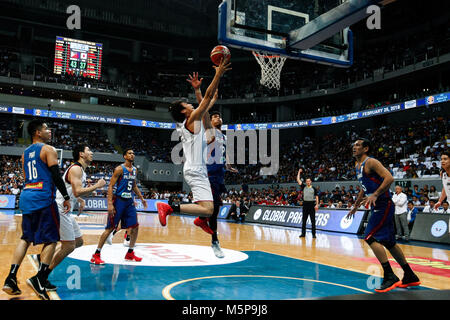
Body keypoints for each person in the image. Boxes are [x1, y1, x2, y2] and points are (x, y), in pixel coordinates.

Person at [157, 57, 231, 228]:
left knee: (208, 210)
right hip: (196, 170)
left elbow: (207, 124)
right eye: (187, 104)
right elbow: (207, 99)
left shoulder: (192, 124)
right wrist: (218, 74)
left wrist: (197, 91)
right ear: (184, 111)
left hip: (196, 169)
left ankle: (198, 220)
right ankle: (168, 207)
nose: (190, 104)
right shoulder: (190, 121)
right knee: (209, 209)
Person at [2, 119, 71, 300]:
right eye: (46, 128)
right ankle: (39, 279)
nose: (50, 131)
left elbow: (27, 179)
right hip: (43, 198)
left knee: (25, 238)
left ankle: (11, 277)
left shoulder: (25, 154)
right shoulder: (49, 150)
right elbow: (56, 175)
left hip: (27, 196)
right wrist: (66, 196)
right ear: (38, 133)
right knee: (52, 240)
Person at [347, 138, 420, 292]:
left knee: (368, 237)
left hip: (383, 203)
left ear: (366, 148)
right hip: (377, 204)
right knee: (389, 242)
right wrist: (355, 205)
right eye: (354, 145)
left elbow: (390, 178)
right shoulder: (357, 165)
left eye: (358, 145)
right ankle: (409, 275)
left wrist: (375, 194)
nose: (354, 147)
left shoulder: (371, 162)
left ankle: (389, 275)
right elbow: (363, 187)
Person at [186, 72, 238, 258]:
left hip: (219, 172)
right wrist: (198, 90)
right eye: (215, 116)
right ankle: (214, 239)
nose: (217, 118)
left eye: (219, 117)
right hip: (208, 172)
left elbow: (223, 153)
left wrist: (229, 165)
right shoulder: (208, 130)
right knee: (214, 208)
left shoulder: (222, 136)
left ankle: (204, 222)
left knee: (216, 207)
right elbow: (204, 108)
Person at [42, 144, 106, 290]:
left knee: (78, 241)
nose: (91, 152)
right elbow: (77, 191)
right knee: (70, 246)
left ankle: (47, 259)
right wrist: (97, 185)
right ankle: (43, 276)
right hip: (60, 207)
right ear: (81, 154)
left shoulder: (81, 170)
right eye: (88, 150)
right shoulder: (76, 168)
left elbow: (72, 191)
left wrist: (79, 200)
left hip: (66, 207)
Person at [90, 148, 148, 265]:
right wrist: (110, 203)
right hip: (119, 201)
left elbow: (134, 185)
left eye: (133, 153)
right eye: (130, 153)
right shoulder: (119, 169)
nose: (132, 155)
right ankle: (96, 254)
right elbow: (111, 186)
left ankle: (130, 253)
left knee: (135, 227)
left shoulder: (135, 170)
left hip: (129, 202)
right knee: (110, 228)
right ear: (124, 156)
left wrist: (141, 198)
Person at [296, 168, 319, 238]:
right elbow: (298, 180)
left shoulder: (314, 188)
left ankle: (314, 234)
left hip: (312, 204)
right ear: (306, 182)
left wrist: (317, 204)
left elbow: (317, 196)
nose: (308, 182)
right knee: (304, 220)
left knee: (313, 221)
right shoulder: (303, 187)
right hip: (305, 204)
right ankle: (303, 234)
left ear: (311, 182)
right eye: (307, 181)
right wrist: (299, 172)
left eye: (309, 181)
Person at [434, 151, 450, 233]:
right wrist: (440, 201)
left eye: (445, 159)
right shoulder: (443, 174)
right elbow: (445, 188)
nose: (442, 161)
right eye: (441, 159)